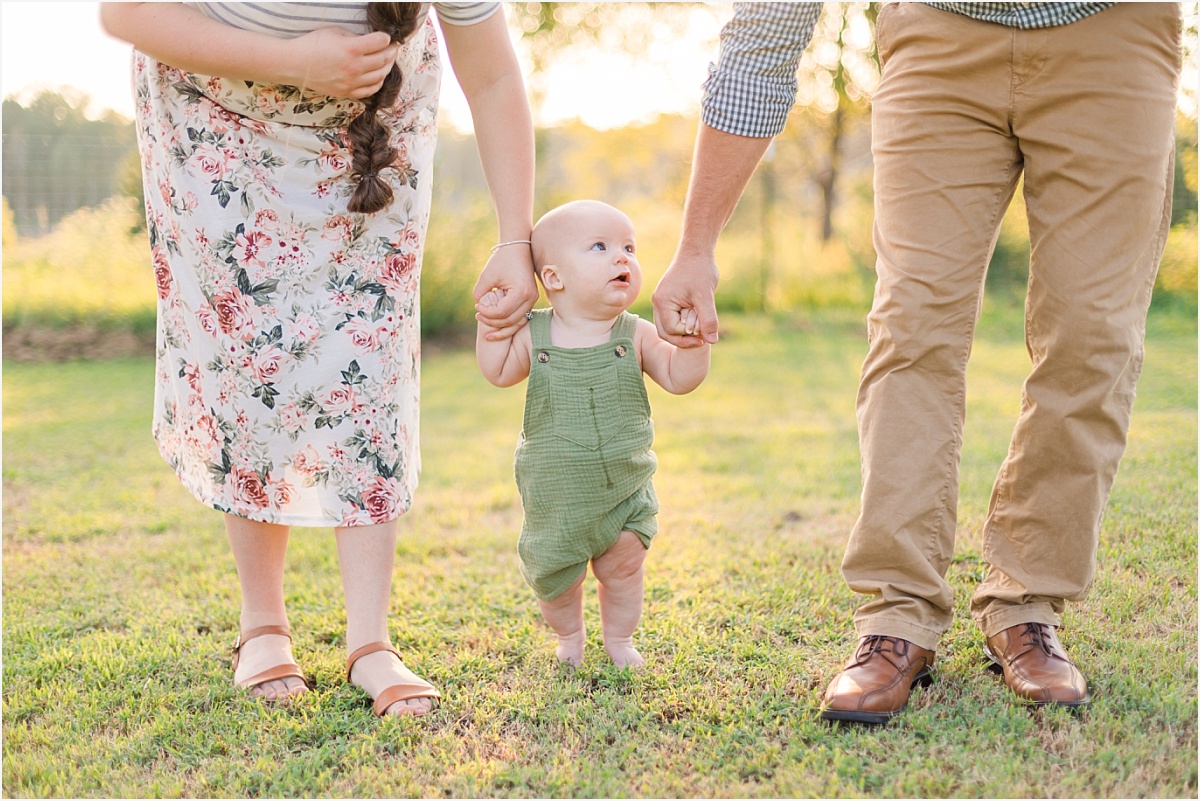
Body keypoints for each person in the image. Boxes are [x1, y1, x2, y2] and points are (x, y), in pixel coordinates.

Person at [653, 2, 1182, 723]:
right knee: (912, 325)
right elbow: (765, 33)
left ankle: (1027, 600)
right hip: (939, 31)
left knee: (1093, 334)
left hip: (1112, 32)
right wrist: (697, 246)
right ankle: (896, 615)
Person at [99, 1, 537, 718]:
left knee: (369, 358)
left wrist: (515, 240)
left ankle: (371, 641)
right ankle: (263, 626)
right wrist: (295, 61)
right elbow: (128, 12)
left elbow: (490, 77)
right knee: (252, 357)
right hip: (217, 113)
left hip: (372, 129)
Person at [477, 200, 710, 668]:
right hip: (556, 499)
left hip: (624, 489)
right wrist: (491, 325)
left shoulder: (635, 333)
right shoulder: (535, 333)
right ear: (555, 278)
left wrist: (691, 343)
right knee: (557, 580)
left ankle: (619, 640)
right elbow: (499, 372)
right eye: (600, 247)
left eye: (629, 247)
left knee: (623, 568)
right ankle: (569, 637)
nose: (622, 257)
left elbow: (679, 378)